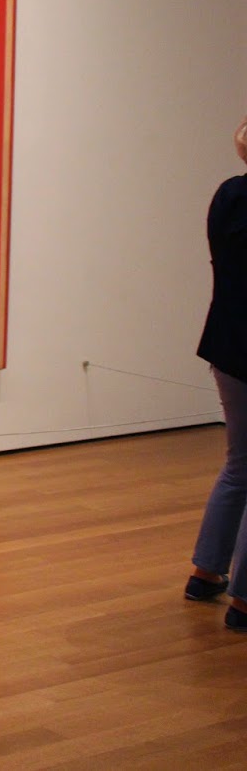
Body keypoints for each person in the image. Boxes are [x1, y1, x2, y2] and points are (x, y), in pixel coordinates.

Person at [188, 115, 247, 632]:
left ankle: (206, 572)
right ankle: (244, 601)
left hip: (227, 341)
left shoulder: (229, 194)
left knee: (239, 465)